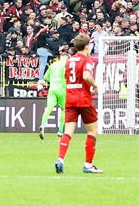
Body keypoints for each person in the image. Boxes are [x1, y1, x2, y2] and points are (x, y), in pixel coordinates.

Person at [56, 33, 101, 175]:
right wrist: (95, 86)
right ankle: (88, 164)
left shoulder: (70, 60)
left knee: (68, 132)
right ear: (87, 46)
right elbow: (86, 76)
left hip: (70, 97)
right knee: (92, 131)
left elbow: (67, 77)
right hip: (83, 98)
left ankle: (60, 159)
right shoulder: (86, 59)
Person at [39, 45, 68, 140]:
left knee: (48, 109)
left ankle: (42, 126)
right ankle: (60, 131)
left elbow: (46, 78)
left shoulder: (53, 65)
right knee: (64, 110)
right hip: (62, 90)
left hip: (52, 89)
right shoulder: (67, 66)